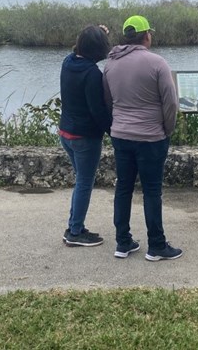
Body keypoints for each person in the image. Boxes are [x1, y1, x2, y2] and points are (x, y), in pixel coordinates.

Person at [103, 15, 182, 261]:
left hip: (121, 134)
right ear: (146, 35)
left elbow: (108, 101)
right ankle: (156, 244)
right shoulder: (157, 63)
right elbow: (171, 102)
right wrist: (167, 129)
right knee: (151, 190)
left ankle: (122, 242)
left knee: (123, 188)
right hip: (151, 136)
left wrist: (116, 125)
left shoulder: (110, 64)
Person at [59, 24, 112, 247]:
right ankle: (75, 231)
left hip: (66, 132)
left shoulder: (68, 62)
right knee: (84, 182)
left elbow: (79, 48)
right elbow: (98, 111)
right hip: (85, 137)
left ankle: (74, 225)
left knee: (81, 179)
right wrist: (114, 132)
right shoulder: (92, 74)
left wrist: (96, 32)